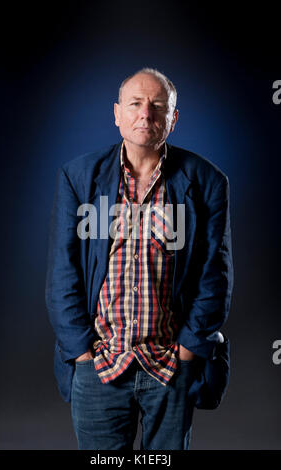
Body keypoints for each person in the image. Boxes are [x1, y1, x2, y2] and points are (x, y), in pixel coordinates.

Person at [45, 68, 233, 450]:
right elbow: (62, 277)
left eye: (157, 105)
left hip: (170, 366)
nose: (145, 114)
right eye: (135, 104)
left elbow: (215, 276)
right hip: (99, 365)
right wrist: (82, 355)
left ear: (172, 118)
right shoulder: (79, 177)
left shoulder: (207, 182)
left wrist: (187, 354)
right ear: (117, 114)